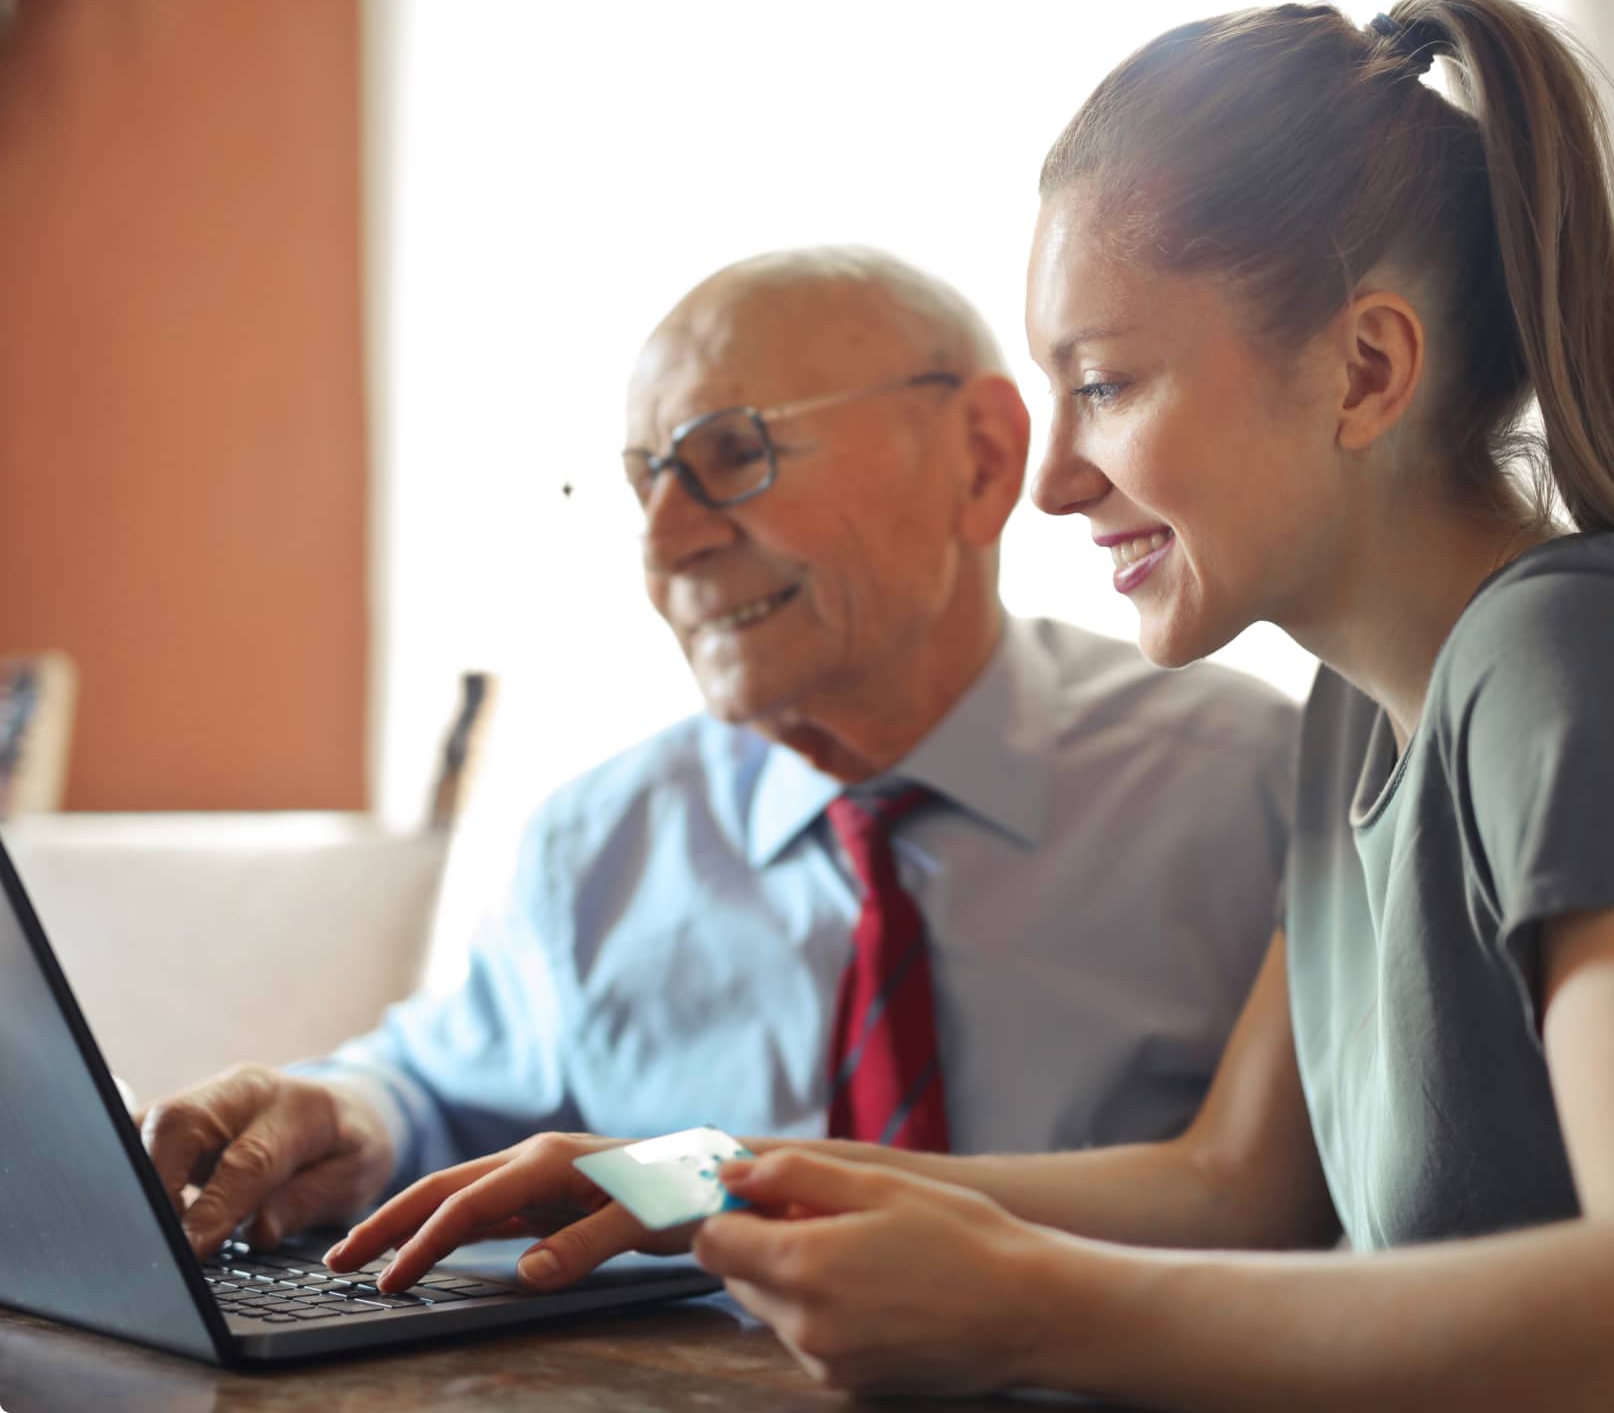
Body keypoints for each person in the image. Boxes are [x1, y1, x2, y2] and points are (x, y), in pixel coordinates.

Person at [324, 0, 1614, 1405]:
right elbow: (1233, 1187)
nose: (1053, 480)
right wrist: (686, 1175)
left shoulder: (1571, 659)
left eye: (1108, 382)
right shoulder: (1361, 716)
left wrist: (1024, 1309)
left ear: (1367, 369)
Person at [137, 247, 1298, 1267]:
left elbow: (1285, 1205)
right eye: (645, 482)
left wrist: (692, 1181)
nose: (665, 543)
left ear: (983, 459)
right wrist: (348, 1115)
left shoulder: (1250, 786)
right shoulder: (601, 840)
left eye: (733, 454)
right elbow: (439, 1089)